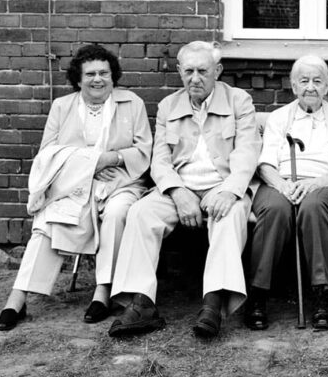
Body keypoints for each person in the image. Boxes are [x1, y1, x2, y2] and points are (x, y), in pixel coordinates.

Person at [107, 41, 259, 339]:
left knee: (228, 218)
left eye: (203, 71)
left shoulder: (239, 100)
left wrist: (229, 191)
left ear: (218, 71)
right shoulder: (168, 106)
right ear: (179, 71)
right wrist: (178, 191)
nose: (195, 78)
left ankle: (213, 304)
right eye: (188, 71)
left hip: (224, 185)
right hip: (180, 187)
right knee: (140, 213)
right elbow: (160, 161)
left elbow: (248, 151)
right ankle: (142, 303)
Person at [0, 45, 151, 331]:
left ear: (113, 76)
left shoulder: (132, 103)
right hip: (73, 185)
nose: (98, 79)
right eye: (90, 74)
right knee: (48, 220)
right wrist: (88, 163)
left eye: (104, 73)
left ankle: (103, 291)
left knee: (117, 213)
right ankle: (17, 297)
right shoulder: (62, 106)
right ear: (78, 79)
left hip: (119, 182)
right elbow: (46, 155)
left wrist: (112, 158)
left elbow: (144, 151)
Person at [246, 55, 328, 331]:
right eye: (304, 81)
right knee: (274, 209)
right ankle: (258, 294)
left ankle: (321, 293)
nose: (310, 87)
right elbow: (266, 163)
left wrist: (315, 184)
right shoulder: (279, 118)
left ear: (327, 87)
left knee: (313, 207)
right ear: (293, 86)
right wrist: (282, 186)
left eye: (317, 81)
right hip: (281, 182)